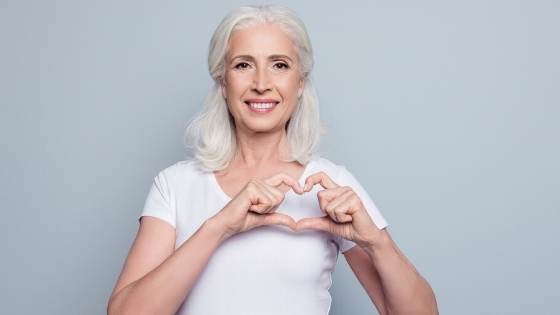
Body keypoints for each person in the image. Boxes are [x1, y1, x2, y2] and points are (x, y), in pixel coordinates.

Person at [107, 4, 438, 315]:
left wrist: (376, 242)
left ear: (300, 84)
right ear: (223, 81)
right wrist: (219, 226)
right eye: (243, 65)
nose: (262, 84)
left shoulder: (331, 185)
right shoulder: (175, 185)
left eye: (279, 65)